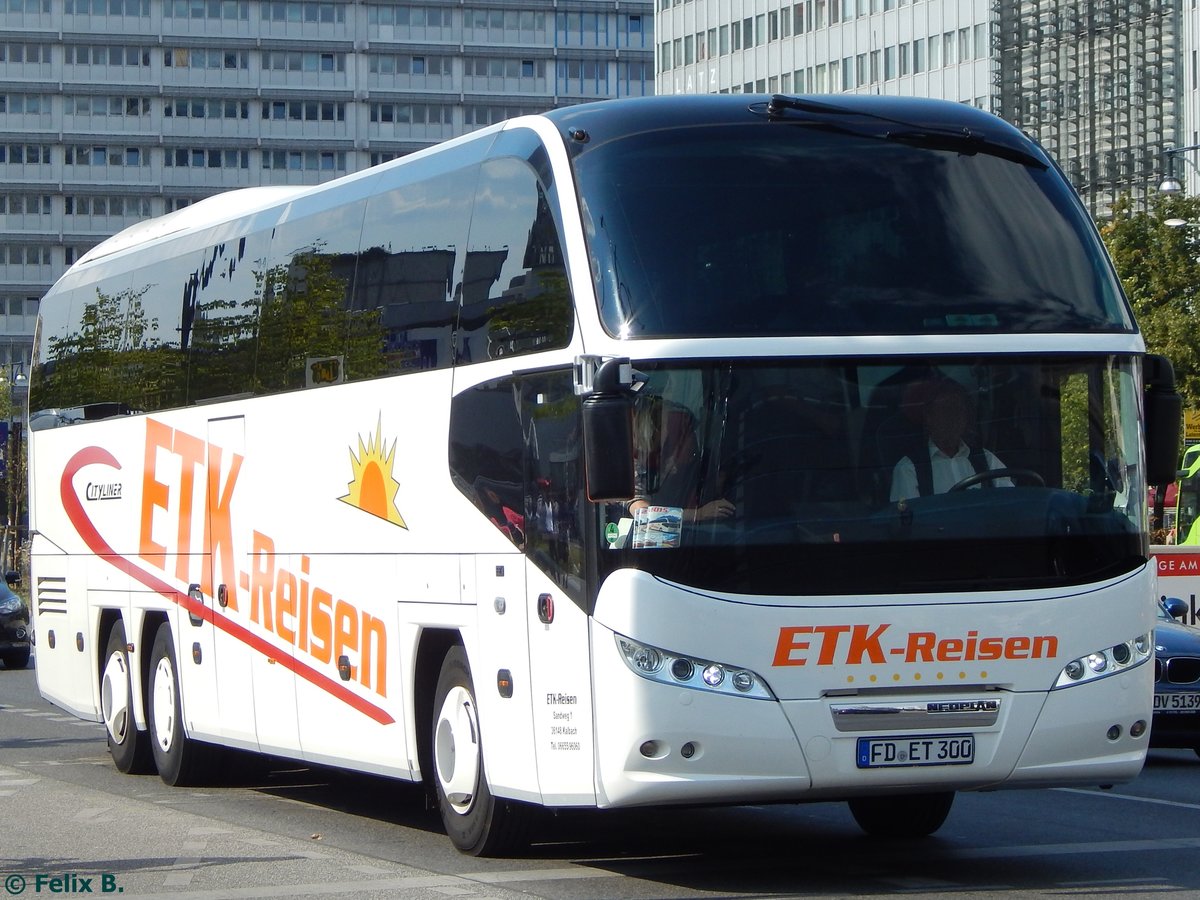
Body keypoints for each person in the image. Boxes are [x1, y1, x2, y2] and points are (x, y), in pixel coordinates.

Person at [889, 378, 1012, 502]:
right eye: (944, 410)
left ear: (965, 418)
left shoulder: (987, 459)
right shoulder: (909, 468)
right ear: (929, 417)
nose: (952, 418)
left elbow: (1010, 504)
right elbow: (907, 518)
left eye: (957, 410)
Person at [627, 402, 735, 525]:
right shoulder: (633, 470)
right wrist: (698, 514)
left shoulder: (695, 464)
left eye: (690, 431)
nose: (692, 438)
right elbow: (644, 514)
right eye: (681, 433)